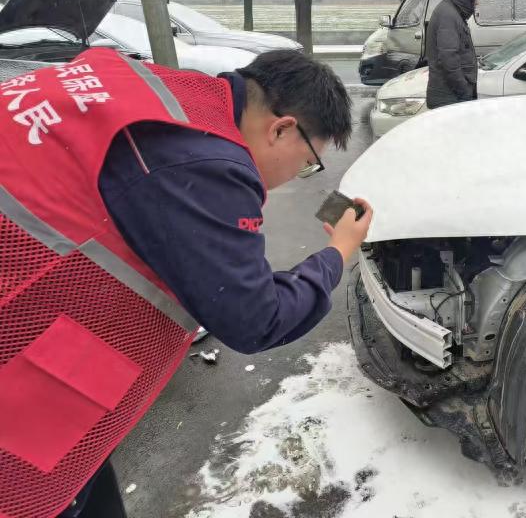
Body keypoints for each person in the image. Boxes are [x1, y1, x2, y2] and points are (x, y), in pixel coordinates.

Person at [0, 48, 372, 518]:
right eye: (306, 164)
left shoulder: (153, 89)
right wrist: (338, 252)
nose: (296, 178)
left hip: (46, 336)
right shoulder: (203, 163)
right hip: (22, 390)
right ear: (281, 128)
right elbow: (256, 318)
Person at [425, 0, 487, 109]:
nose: (477, 2)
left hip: (450, 97)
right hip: (449, 99)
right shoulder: (448, 15)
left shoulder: (452, 13)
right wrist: (464, 91)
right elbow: (448, 59)